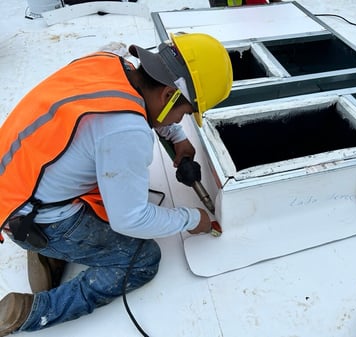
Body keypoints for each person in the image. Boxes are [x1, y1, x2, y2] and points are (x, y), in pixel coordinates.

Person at [0, 32, 233, 335]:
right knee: (143, 260)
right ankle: (35, 309)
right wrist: (193, 218)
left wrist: (177, 137)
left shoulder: (108, 61)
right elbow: (130, 219)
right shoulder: (126, 132)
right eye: (185, 113)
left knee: (120, 180)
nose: (181, 119)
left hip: (17, 183)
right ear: (168, 96)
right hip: (33, 216)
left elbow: (138, 102)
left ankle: (53, 246)